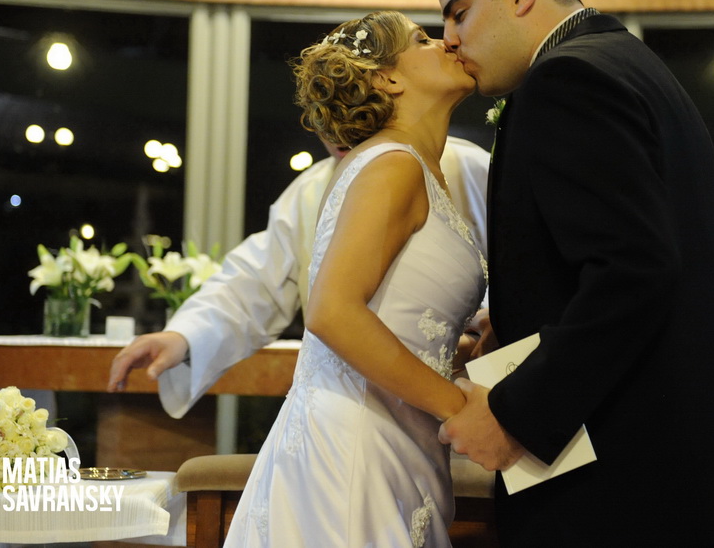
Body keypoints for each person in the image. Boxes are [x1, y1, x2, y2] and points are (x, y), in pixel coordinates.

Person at [435, 0, 714, 546]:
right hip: (685, 475)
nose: (450, 39)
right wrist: (515, 322)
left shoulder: (568, 81)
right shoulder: (632, 63)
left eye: (458, 13)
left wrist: (515, 414)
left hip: (632, 492)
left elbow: (634, 273)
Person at [106, 135, 489, 421]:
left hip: (472, 396)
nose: (335, 128)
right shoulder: (311, 190)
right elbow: (256, 280)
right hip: (350, 409)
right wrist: (184, 335)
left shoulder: (470, 169)